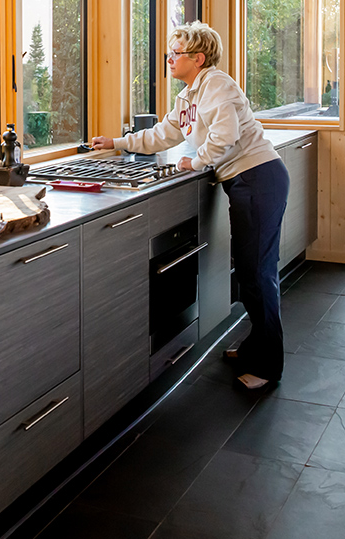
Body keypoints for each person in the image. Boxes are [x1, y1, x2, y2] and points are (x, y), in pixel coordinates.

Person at [92, 21, 289, 391]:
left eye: (176, 52)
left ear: (197, 58)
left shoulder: (216, 85)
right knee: (250, 273)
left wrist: (195, 162)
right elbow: (162, 134)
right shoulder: (189, 95)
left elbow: (225, 137)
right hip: (245, 181)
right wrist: (116, 142)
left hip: (258, 179)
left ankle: (267, 366)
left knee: (258, 275)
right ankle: (254, 347)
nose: (169, 58)